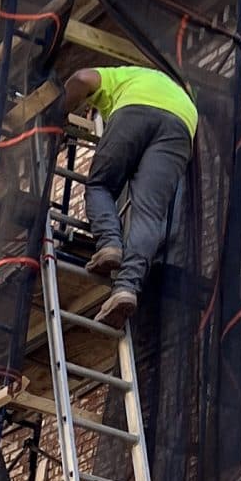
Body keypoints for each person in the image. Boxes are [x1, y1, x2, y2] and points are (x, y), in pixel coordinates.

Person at [66, 62, 198, 327]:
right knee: (149, 213)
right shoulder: (176, 91)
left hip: (136, 106)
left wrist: (58, 113)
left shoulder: (120, 75)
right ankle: (126, 288)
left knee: (101, 185)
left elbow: (81, 76)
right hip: (183, 121)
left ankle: (109, 244)